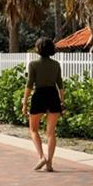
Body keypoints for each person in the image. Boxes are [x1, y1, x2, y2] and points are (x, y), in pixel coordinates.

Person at [21, 37, 64, 172]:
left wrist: (24, 102)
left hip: (39, 95)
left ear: (38, 49)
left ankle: (41, 157)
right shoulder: (56, 64)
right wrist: (62, 102)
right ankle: (49, 163)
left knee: (33, 129)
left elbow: (29, 84)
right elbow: (60, 85)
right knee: (50, 133)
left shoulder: (33, 64)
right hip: (53, 95)